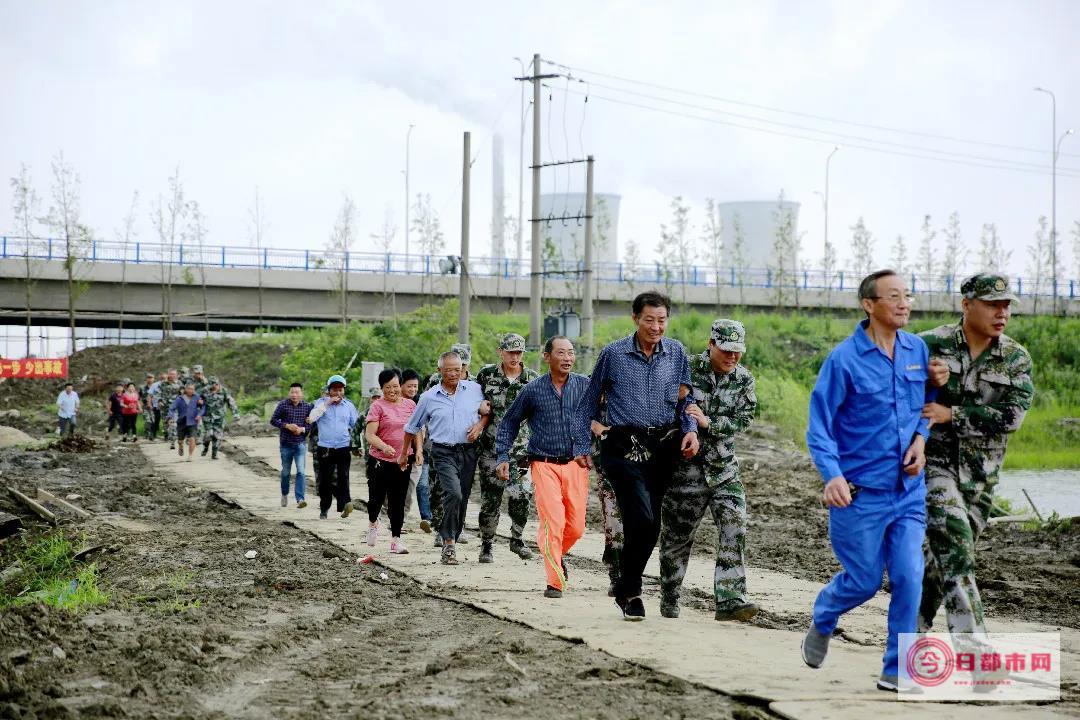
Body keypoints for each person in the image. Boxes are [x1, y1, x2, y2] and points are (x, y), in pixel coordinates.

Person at [802, 269, 931, 693]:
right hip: (859, 496)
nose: (904, 303)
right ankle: (824, 615)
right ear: (869, 304)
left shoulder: (918, 350)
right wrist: (832, 474)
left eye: (907, 295)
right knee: (863, 581)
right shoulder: (844, 359)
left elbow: (927, 405)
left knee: (911, 576)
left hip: (908, 493)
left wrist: (921, 441)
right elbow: (819, 424)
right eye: (893, 296)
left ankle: (898, 670)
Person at [917, 274, 1034, 657]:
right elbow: (896, 392)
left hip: (981, 479)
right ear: (967, 304)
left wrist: (953, 414)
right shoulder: (929, 345)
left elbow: (1012, 416)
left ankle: (910, 627)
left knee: (942, 558)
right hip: (932, 468)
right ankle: (974, 650)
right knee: (957, 546)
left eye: (1006, 305)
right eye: (993, 304)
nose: (1002, 313)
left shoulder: (1015, 358)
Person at [580, 290, 700, 621]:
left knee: (651, 524)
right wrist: (583, 443)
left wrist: (690, 429)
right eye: (649, 320)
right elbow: (590, 400)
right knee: (641, 518)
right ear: (635, 319)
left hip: (662, 446)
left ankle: (626, 584)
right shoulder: (613, 354)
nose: (656, 326)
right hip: (622, 443)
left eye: (662, 320)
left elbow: (684, 401)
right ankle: (630, 590)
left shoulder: (676, 353)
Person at [659, 320, 758, 621]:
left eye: (737, 352)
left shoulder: (743, 379)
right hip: (686, 472)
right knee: (677, 537)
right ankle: (670, 596)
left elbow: (745, 418)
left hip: (725, 471)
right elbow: (667, 409)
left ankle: (730, 601)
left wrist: (709, 423)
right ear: (711, 344)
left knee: (734, 525)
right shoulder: (685, 370)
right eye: (726, 350)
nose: (732, 357)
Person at [496, 336, 591, 598]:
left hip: (576, 465)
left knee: (576, 527)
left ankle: (556, 555)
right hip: (544, 464)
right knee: (553, 523)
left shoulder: (585, 386)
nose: (568, 358)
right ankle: (554, 582)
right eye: (561, 353)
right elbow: (509, 422)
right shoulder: (533, 390)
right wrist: (503, 455)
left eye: (571, 353)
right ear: (547, 357)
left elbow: (605, 413)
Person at [400, 351, 487, 565]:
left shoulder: (475, 390)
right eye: (449, 370)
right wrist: (404, 453)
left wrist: (479, 425)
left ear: (463, 370)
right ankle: (448, 543)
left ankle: (453, 536)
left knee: (463, 498)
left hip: (468, 452)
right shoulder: (429, 397)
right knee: (454, 493)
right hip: (443, 451)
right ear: (440, 371)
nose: (454, 374)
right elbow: (412, 427)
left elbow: (488, 412)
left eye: (458, 370)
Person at [475, 332, 540, 563]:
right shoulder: (486, 376)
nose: (515, 357)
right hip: (491, 449)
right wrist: (479, 408)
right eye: (510, 352)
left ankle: (517, 539)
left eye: (519, 352)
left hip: (521, 450)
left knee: (522, 495)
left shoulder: (532, 379)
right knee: (491, 498)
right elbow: (473, 402)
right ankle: (487, 544)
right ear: (500, 351)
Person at [421, 343, 476, 546]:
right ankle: (440, 528)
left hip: (465, 446)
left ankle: (454, 529)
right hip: (439, 442)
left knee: (461, 491)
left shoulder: (474, 384)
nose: (456, 372)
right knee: (439, 488)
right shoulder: (437, 381)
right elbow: (428, 409)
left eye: (461, 365)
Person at [365, 368, 420, 554]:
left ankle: (396, 540)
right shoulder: (377, 407)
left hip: (403, 460)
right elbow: (370, 435)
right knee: (376, 500)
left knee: (398, 501)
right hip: (380, 460)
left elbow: (416, 429)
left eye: (395, 386)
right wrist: (383, 446)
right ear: (382, 388)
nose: (392, 390)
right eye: (388, 387)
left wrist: (418, 450)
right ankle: (373, 523)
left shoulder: (410, 405)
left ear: (401, 385)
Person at [309, 375, 358, 520]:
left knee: (343, 476)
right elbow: (312, 418)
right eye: (334, 389)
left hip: (343, 446)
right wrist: (328, 403)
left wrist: (357, 446)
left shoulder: (348, 405)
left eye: (340, 389)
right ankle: (324, 508)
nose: (338, 392)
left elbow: (356, 426)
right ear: (329, 390)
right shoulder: (320, 403)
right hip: (325, 447)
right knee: (325, 480)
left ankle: (344, 506)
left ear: (344, 390)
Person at [590, 395, 624, 596]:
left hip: (640, 463)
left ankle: (632, 573)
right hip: (608, 465)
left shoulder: (639, 383)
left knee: (639, 522)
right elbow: (582, 417)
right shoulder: (594, 387)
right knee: (614, 522)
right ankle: (617, 575)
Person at [270, 383, 313, 509]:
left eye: (297, 392)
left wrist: (302, 429)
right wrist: (286, 426)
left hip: (300, 444)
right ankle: (284, 494)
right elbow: (273, 420)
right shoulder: (283, 405)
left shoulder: (307, 407)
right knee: (286, 472)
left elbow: (312, 424)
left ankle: (300, 499)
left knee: (301, 471)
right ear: (289, 393)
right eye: (292, 392)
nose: (294, 395)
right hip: (286, 444)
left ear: (301, 393)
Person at [401, 369, 433, 531]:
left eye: (415, 386)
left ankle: (425, 518)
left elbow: (420, 428)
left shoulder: (420, 403)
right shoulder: (395, 404)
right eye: (409, 386)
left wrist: (420, 449)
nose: (413, 390)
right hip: (398, 453)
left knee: (418, 485)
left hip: (419, 453)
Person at [199, 377, 238, 459]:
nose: (214, 387)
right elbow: (197, 400)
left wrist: (235, 413)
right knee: (208, 435)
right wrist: (198, 405)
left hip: (219, 417)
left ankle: (214, 453)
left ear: (218, 384)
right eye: (211, 385)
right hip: (207, 416)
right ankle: (205, 447)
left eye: (216, 385)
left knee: (217, 436)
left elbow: (231, 402)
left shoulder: (224, 391)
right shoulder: (204, 390)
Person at [169, 382, 205, 461]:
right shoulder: (179, 398)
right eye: (189, 389)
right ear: (185, 389)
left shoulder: (197, 397)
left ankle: (190, 455)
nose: (191, 390)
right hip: (182, 421)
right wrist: (170, 417)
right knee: (180, 440)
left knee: (192, 438)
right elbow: (172, 408)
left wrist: (200, 415)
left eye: (192, 389)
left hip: (193, 421)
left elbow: (203, 407)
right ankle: (181, 446)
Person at [158, 369, 182, 449]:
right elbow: (158, 393)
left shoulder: (179, 383)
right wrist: (159, 400)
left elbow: (183, 394)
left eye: (174, 374)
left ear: (176, 375)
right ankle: (167, 435)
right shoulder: (163, 384)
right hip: (165, 407)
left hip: (174, 408)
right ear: (168, 374)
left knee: (173, 424)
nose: (172, 376)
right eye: (171, 374)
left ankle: (173, 442)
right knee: (166, 425)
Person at [139, 373, 157, 440]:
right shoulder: (142, 387)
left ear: (154, 379)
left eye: (151, 378)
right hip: (145, 407)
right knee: (147, 420)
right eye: (148, 378)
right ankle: (149, 434)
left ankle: (151, 433)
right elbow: (139, 398)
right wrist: (140, 407)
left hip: (155, 407)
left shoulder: (157, 387)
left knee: (154, 421)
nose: (149, 379)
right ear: (146, 379)